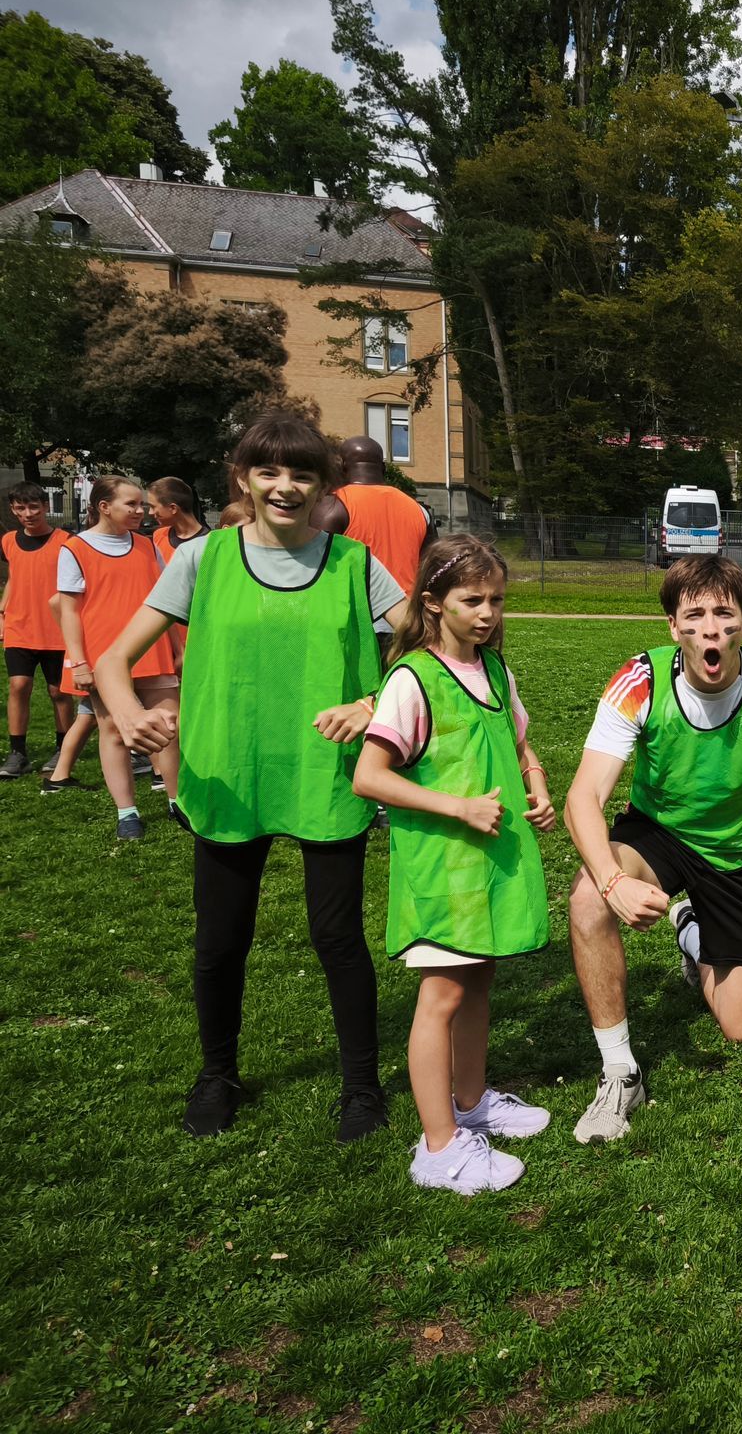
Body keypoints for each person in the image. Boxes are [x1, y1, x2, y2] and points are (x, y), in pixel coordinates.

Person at [94, 412, 410, 1142]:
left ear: (322, 485)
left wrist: (371, 703)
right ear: (242, 478)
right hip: (227, 773)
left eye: (302, 473)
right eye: (268, 472)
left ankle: (360, 1088)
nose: (285, 486)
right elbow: (114, 660)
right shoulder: (201, 559)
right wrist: (127, 714)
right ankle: (218, 1075)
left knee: (338, 940)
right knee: (219, 941)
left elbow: (423, 646)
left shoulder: (354, 563)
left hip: (325, 776)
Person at [564, 555, 742, 1143]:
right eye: (695, 615)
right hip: (657, 834)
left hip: (738, 855)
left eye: (725, 613)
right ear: (673, 626)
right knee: (589, 899)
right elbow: (582, 797)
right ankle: (620, 1072)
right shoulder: (640, 679)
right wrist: (614, 883)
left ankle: (689, 927)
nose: (711, 628)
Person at [352, 536, 555, 1194]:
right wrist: (457, 807)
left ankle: (472, 1104)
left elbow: (519, 745)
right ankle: (439, 1147)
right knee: (440, 997)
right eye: (473, 600)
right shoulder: (413, 678)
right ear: (433, 602)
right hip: (444, 871)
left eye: (497, 599)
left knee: (478, 984)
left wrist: (538, 785)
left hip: (490, 866)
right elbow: (369, 776)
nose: (488, 612)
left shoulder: (495, 671)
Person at [54, 476, 179, 839]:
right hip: (102, 658)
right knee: (113, 731)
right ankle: (127, 813)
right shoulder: (74, 548)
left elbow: (164, 602)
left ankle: (178, 801)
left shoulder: (147, 545)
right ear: (104, 507)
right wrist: (78, 663)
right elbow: (68, 611)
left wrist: (178, 647)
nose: (140, 511)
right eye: (131, 504)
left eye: (141, 504)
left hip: (152, 651)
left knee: (170, 727)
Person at [329, 435, 432, 651]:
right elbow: (433, 567)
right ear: (383, 468)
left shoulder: (334, 505)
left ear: (341, 467)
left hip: (358, 621)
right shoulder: (418, 509)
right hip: (406, 619)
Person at [1, 482, 75, 779]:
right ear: (13, 510)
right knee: (18, 686)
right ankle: (18, 753)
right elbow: (15, 578)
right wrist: (3, 612)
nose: (28, 513)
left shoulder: (67, 541)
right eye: (21, 508)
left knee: (58, 692)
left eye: (34, 507)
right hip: (20, 628)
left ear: (45, 507)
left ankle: (63, 747)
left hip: (56, 631)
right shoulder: (8, 541)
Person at [146, 478, 208, 566]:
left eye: (153, 507)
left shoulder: (210, 542)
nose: (150, 512)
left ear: (173, 508)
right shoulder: (158, 536)